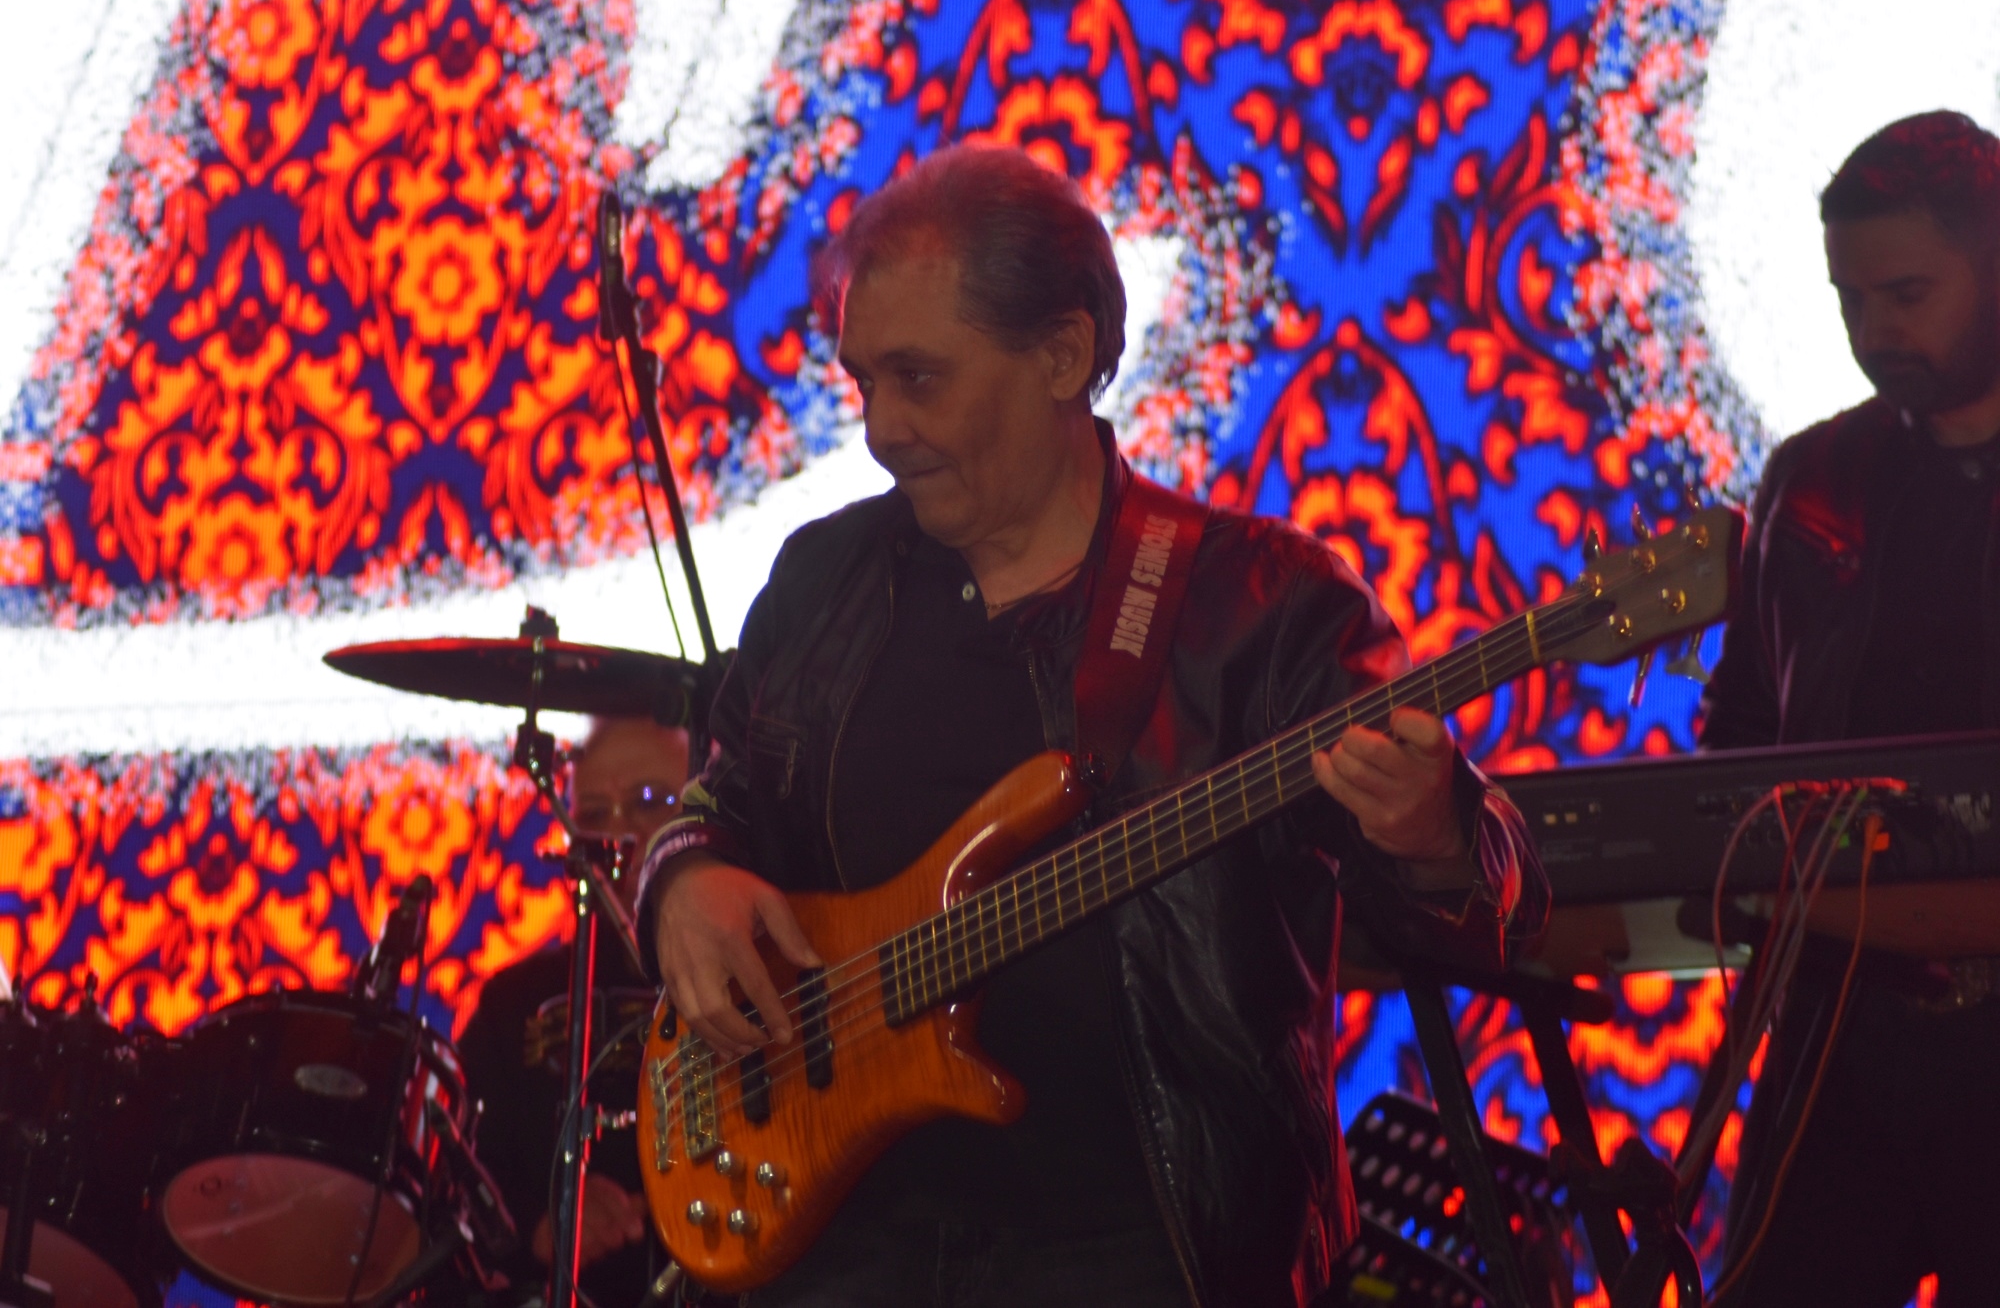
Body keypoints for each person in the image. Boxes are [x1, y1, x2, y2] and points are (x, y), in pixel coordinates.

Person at [632, 144, 1546, 1308]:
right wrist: (684, 876)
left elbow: (1478, 907)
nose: (880, 429)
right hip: (841, 1243)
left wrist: (1436, 835)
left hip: (1145, 1246)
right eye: (863, 382)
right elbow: (719, 796)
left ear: (1063, 355)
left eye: (919, 378)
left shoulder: (1259, 605)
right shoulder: (823, 580)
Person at [1701, 111, 2000, 1305]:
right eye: (1847, 299)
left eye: (1906, 294)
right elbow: (1737, 739)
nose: (1873, 333)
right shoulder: (1810, 478)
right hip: (1841, 1027)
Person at [458, 715, 690, 1304]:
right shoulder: (513, 1003)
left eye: (648, 800)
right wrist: (541, 1223)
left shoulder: (761, 971)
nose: (619, 831)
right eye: (593, 814)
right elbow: (459, 1166)